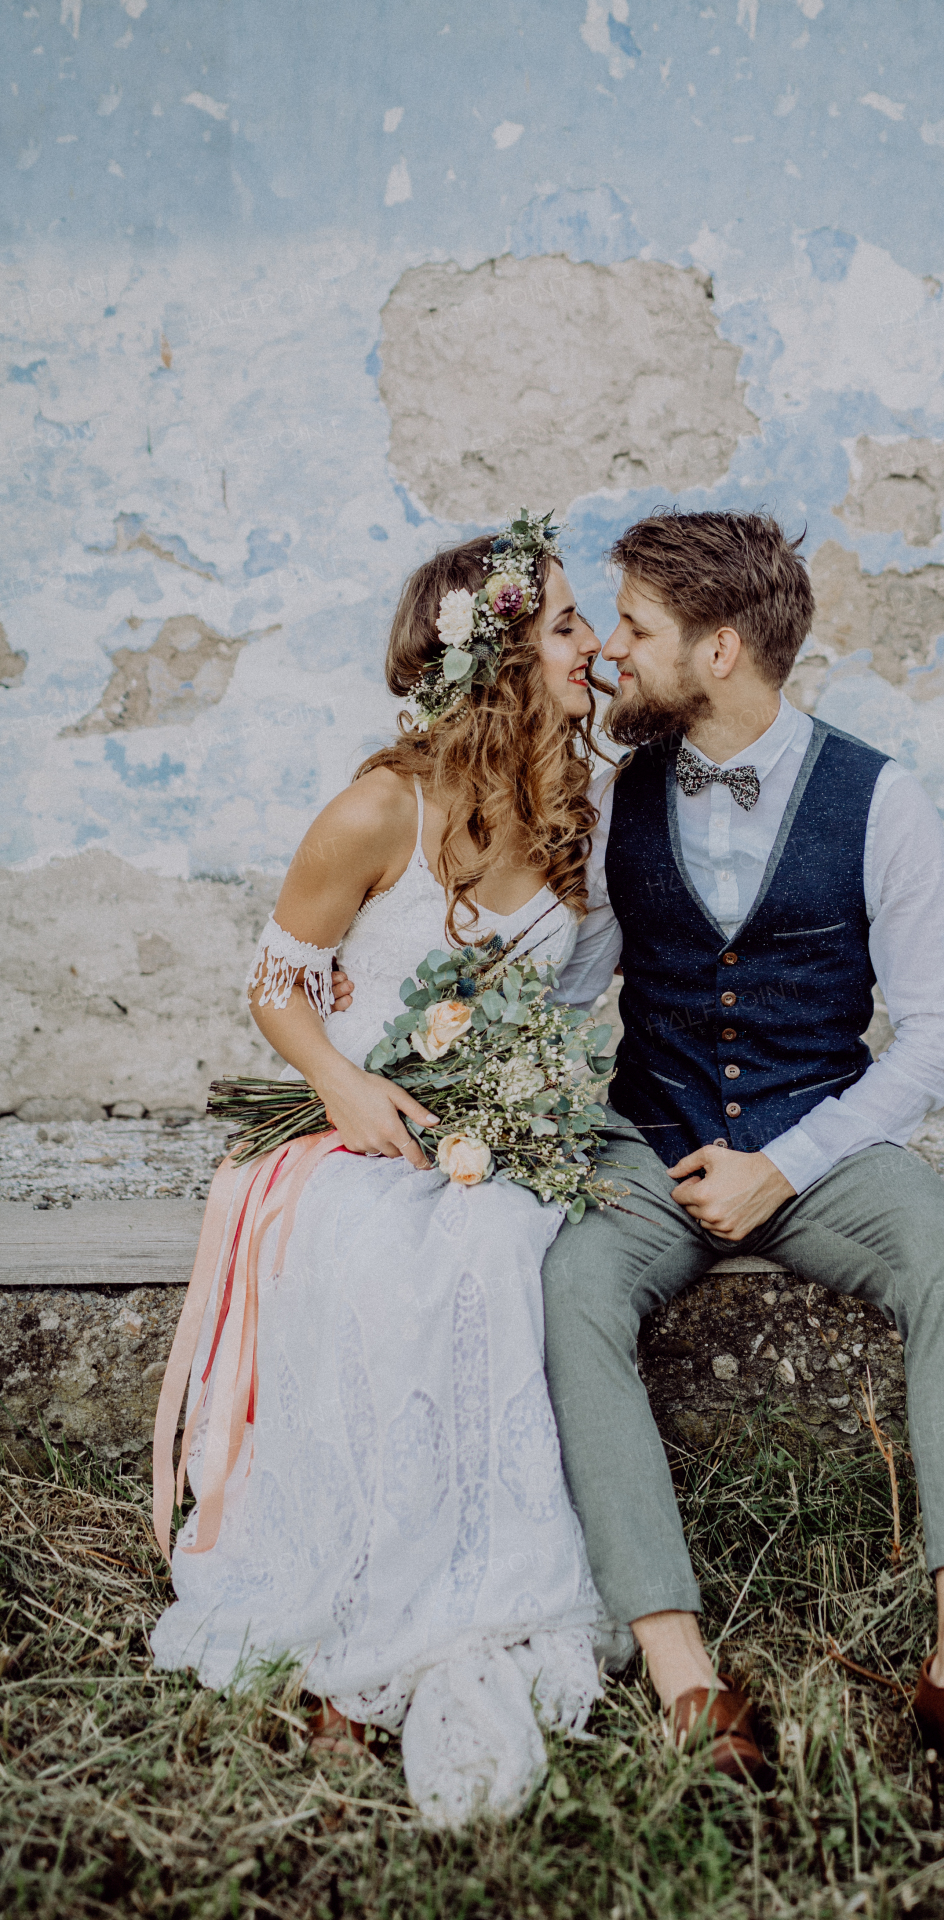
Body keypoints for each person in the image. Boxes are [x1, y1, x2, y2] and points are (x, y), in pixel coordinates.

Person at [536, 509, 944, 1828]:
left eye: (633, 629)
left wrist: (785, 1164)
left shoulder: (881, 798)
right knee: (576, 1282)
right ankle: (686, 1675)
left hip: (825, 1142)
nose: (612, 655)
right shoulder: (616, 798)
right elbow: (575, 983)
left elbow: (939, 1043)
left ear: (716, 649)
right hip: (648, 1133)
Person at [150, 516, 629, 1830]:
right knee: (378, 1262)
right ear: (500, 656)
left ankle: (472, 1585)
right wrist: (347, 1084)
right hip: (362, 1131)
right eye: (570, 623)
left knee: (489, 1248)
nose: (595, 643)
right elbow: (277, 981)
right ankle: (354, 1600)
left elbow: (576, 995)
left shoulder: (570, 808)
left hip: (498, 1131)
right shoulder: (384, 802)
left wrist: (544, 1094)